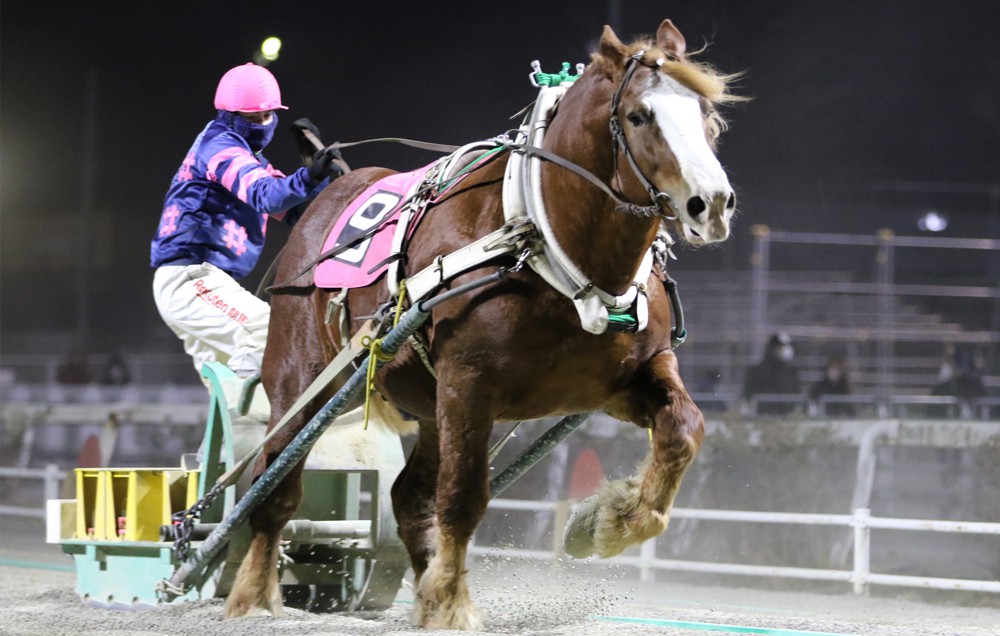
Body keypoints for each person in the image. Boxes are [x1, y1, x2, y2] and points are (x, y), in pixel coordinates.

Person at [150, 63, 343, 379]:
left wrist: (316, 172)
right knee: (269, 332)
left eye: (267, 117)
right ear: (228, 116)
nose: (261, 125)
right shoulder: (219, 146)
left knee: (230, 397)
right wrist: (309, 175)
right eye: (251, 119)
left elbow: (297, 214)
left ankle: (245, 421)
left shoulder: (249, 159)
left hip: (208, 285)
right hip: (191, 279)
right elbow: (268, 196)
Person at [742, 332, 801, 415]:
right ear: (774, 348)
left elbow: (796, 393)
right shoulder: (757, 370)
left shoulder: (791, 372)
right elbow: (748, 393)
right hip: (762, 417)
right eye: (783, 347)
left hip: (786, 417)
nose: (787, 350)